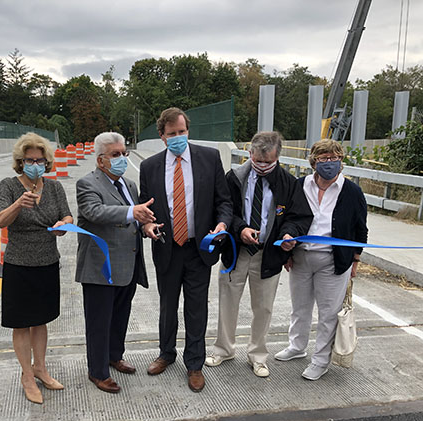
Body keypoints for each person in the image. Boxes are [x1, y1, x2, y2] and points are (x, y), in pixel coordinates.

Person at [139, 107, 233, 392]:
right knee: (168, 306)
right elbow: (146, 208)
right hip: (167, 246)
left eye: (182, 132)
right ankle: (167, 353)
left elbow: (224, 201)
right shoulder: (150, 166)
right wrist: (146, 227)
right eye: (171, 134)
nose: (178, 137)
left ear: (187, 130)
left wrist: (222, 224)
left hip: (199, 247)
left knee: (196, 308)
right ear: (162, 136)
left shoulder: (209, 158)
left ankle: (194, 364)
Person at [205, 131, 313, 377]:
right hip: (237, 251)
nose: (263, 166)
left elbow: (299, 217)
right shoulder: (234, 178)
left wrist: (288, 236)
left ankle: (258, 354)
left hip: (269, 254)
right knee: (228, 302)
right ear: (250, 153)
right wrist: (240, 228)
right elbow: (223, 209)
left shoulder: (288, 183)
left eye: (269, 162)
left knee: (263, 308)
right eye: (258, 160)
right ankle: (223, 348)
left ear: (278, 157)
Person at [275, 139, 368, 381]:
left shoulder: (352, 191)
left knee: (328, 313)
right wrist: (286, 249)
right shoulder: (300, 185)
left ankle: (320, 360)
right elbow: (289, 218)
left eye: (334, 157)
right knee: (300, 307)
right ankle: (297, 347)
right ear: (314, 161)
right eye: (323, 158)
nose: (329, 162)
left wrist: (355, 261)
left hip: (333, 260)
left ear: (341, 160)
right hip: (301, 256)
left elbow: (360, 230)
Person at [0, 132, 73, 404]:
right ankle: (26, 375)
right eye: (30, 160)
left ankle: (40, 368)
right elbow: (1, 220)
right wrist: (19, 203)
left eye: (40, 160)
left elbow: (67, 214)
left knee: (41, 320)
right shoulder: (9, 185)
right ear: (20, 161)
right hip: (19, 264)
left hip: (48, 262)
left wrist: (64, 224)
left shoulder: (53, 188)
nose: (35, 164)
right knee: (21, 323)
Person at [76, 132, 153, 394]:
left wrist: (147, 226)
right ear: (101, 161)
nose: (122, 158)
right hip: (101, 267)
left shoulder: (129, 185)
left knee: (120, 316)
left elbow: (136, 219)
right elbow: (95, 212)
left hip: (127, 264)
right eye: (115, 154)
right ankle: (98, 372)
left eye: (124, 153)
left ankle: (114, 355)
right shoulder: (87, 184)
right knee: (99, 321)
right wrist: (133, 211)